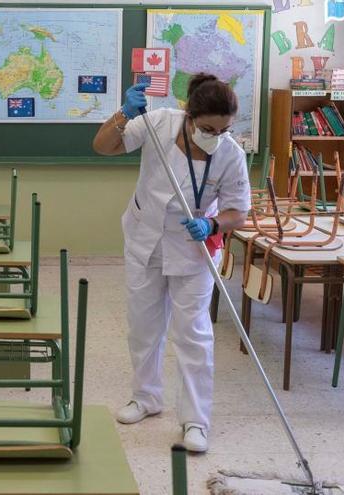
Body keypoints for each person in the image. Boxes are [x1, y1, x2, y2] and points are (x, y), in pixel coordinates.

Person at [92, 73, 251, 453]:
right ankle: (145, 398)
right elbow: (102, 146)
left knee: (193, 333)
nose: (216, 136)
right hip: (144, 237)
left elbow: (238, 212)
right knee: (143, 326)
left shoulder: (230, 154)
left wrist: (212, 222)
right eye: (208, 128)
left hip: (193, 248)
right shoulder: (158, 121)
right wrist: (122, 114)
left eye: (224, 129)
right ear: (189, 115)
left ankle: (195, 419)